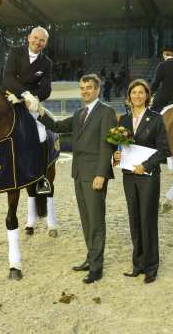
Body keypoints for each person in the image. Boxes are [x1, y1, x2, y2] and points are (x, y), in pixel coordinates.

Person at [37, 74, 117, 284]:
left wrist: (101, 173)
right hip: (79, 173)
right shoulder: (80, 112)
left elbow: (107, 145)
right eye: (82, 88)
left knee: (96, 221)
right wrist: (38, 110)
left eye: (89, 88)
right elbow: (58, 127)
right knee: (86, 220)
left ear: (97, 89)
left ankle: (97, 268)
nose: (85, 91)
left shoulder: (106, 112)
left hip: (95, 175)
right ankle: (90, 259)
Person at [113, 79, 170, 284]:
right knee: (134, 220)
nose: (137, 96)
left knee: (148, 220)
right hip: (129, 177)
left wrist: (146, 165)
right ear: (129, 97)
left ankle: (151, 267)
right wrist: (116, 157)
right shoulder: (124, 120)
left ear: (147, 96)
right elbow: (118, 147)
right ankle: (137, 264)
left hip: (148, 177)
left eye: (141, 93)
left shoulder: (156, 119)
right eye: (134, 93)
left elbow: (165, 150)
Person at [2, 26, 54, 194]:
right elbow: (8, 77)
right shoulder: (15, 52)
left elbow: (46, 89)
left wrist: (30, 98)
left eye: (42, 40)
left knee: (41, 132)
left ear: (45, 44)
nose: (38, 42)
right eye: (36, 38)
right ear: (28, 37)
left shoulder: (46, 63)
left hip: (30, 103)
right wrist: (22, 93)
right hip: (8, 96)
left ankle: (41, 177)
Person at [150, 46, 173, 113]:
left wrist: (150, 93)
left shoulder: (162, 65)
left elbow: (156, 82)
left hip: (164, 97)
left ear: (164, 54)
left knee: (153, 111)